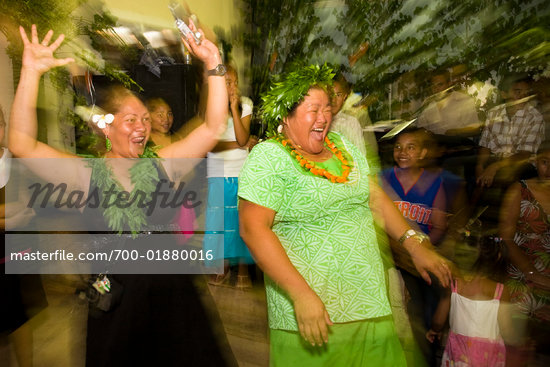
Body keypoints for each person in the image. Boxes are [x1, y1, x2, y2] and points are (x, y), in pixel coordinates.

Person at [8, 24, 236, 366]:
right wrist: (30, 72)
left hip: (174, 301)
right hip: (118, 308)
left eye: (145, 119)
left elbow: (211, 126)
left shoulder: (165, 165)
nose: (142, 127)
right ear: (106, 125)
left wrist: (214, 62)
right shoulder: (84, 175)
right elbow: (22, 145)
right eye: (131, 119)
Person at [237, 64, 452, 366]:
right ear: (286, 115)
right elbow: (253, 229)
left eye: (327, 108)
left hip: (369, 303)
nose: (324, 117)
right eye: (313, 109)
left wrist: (414, 243)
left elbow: (375, 198)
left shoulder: (342, 146)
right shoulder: (269, 157)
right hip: (313, 314)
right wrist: (301, 296)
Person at [427, 233, 519, 367]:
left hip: (458, 354)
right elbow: (506, 330)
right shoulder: (500, 291)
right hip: (488, 356)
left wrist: (435, 330)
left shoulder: (454, 285)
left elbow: (438, 320)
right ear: (498, 257)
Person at [204, 64, 255, 289]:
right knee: (220, 224)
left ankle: (243, 269)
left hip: (241, 171)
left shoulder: (246, 105)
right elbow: (212, 145)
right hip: (217, 173)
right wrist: (240, 143)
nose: (233, 86)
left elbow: (244, 138)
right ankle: (223, 267)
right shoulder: (211, 108)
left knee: (241, 221)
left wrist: (234, 108)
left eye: (235, 82)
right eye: (228, 83)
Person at [500, 141, 550, 362]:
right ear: (536, 162)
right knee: (516, 340)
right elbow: (507, 238)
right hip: (521, 269)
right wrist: (532, 273)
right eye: (545, 162)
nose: (549, 169)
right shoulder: (520, 190)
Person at [329, 73, 367, 156]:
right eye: (331, 94)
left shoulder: (351, 123)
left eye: (338, 95)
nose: (333, 100)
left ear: (344, 97)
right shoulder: (317, 122)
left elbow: (360, 155)